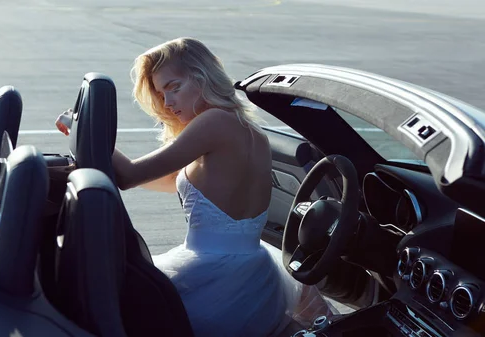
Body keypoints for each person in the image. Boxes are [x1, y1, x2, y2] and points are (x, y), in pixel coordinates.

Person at [56, 37, 335, 336]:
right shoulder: (249, 130)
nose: (167, 103)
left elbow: (129, 176)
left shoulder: (214, 122)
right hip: (252, 275)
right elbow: (168, 182)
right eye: (162, 94)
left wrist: (79, 126)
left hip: (214, 279)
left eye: (174, 87)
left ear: (202, 77)